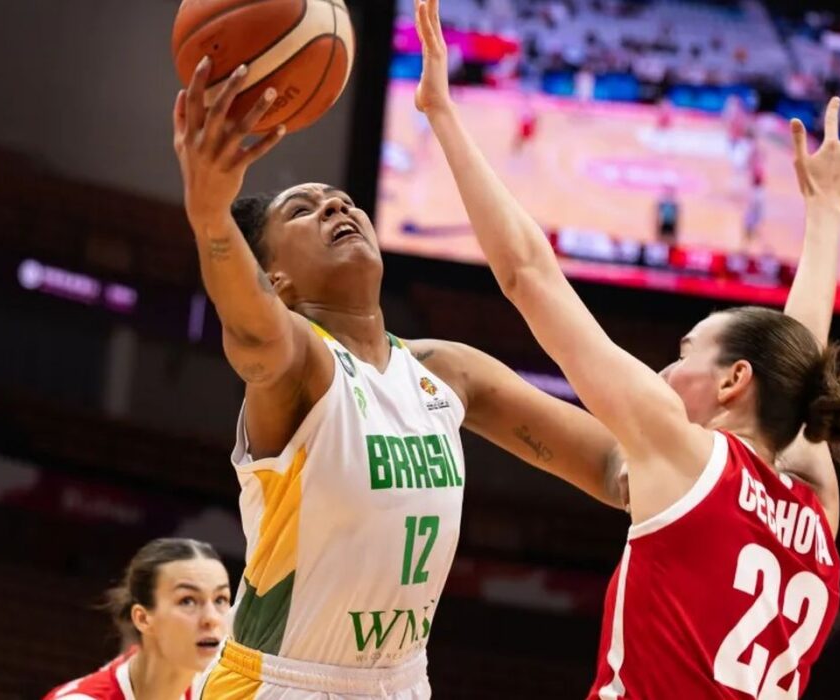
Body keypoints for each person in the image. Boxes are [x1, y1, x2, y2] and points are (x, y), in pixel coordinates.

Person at [413, 0, 840, 695]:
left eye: (685, 352)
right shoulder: (816, 513)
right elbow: (800, 358)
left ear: (735, 381)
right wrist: (825, 215)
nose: (665, 369)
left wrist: (443, 113)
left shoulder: (688, 455)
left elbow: (528, 273)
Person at [171, 52, 626, 698]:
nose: (335, 208)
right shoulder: (302, 367)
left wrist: (706, 471)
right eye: (304, 210)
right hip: (280, 684)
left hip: (401, 682)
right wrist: (211, 220)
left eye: (343, 200)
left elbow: (613, 467)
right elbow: (251, 331)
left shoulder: (445, 370)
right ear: (275, 281)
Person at [43, 538, 232, 700]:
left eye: (220, 599)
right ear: (142, 618)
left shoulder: (223, 690)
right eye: (187, 601)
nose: (212, 618)